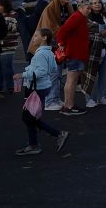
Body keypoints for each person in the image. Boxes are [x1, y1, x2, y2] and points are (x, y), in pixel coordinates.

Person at [16, 28, 69, 156]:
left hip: (37, 88)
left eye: (36, 36)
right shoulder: (48, 52)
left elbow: (40, 72)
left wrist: (22, 74)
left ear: (44, 37)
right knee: (30, 117)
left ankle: (56, 134)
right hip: (42, 87)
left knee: (29, 117)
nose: (33, 38)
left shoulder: (40, 54)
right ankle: (34, 144)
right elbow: (52, 68)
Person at [55, 0, 92, 116]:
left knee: (72, 80)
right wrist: (61, 43)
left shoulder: (80, 18)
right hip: (75, 54)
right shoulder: (77, 17)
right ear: (80, 8)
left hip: (77, 53)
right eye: (88, 8)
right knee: (71, 80)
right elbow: (62, 31)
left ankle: (68, 104)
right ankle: (69, 106)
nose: (89, 10)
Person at [84, 0, 106, 108]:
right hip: (92, 50)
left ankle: (101, 97)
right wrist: (100, 32)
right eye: (94, 3)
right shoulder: (86, 17)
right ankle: (88, 99)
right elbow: (86, 32)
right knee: (90, 75)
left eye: (99, 2)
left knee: (104, 75)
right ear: (90, 5)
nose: (97, 4)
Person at [0, 0, 22, 96]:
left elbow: (12, 28)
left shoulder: (12, 15)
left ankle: (10, 86)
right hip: (0, 45)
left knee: (6, 67)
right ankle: (2, 86)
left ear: (4, 6)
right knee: (2, 67)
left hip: (9, 45)